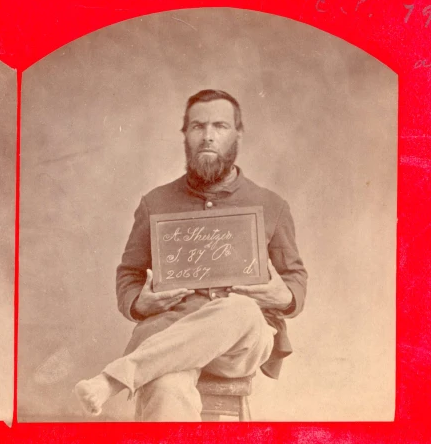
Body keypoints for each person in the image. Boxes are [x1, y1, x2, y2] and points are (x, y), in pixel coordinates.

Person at [74, 89, 307, 421]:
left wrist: (284, 295)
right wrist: (140, 304)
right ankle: (134, 377)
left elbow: (296, 278)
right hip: (170, 334)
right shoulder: (155, 202)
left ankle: (113, 379)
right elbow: (129, 274)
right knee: (165, 386)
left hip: (239, 344)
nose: (208, 136)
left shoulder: (271, 205)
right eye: (198, 126)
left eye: (220, 126)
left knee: (240, 309)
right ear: (185, 134)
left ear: (238, 134)